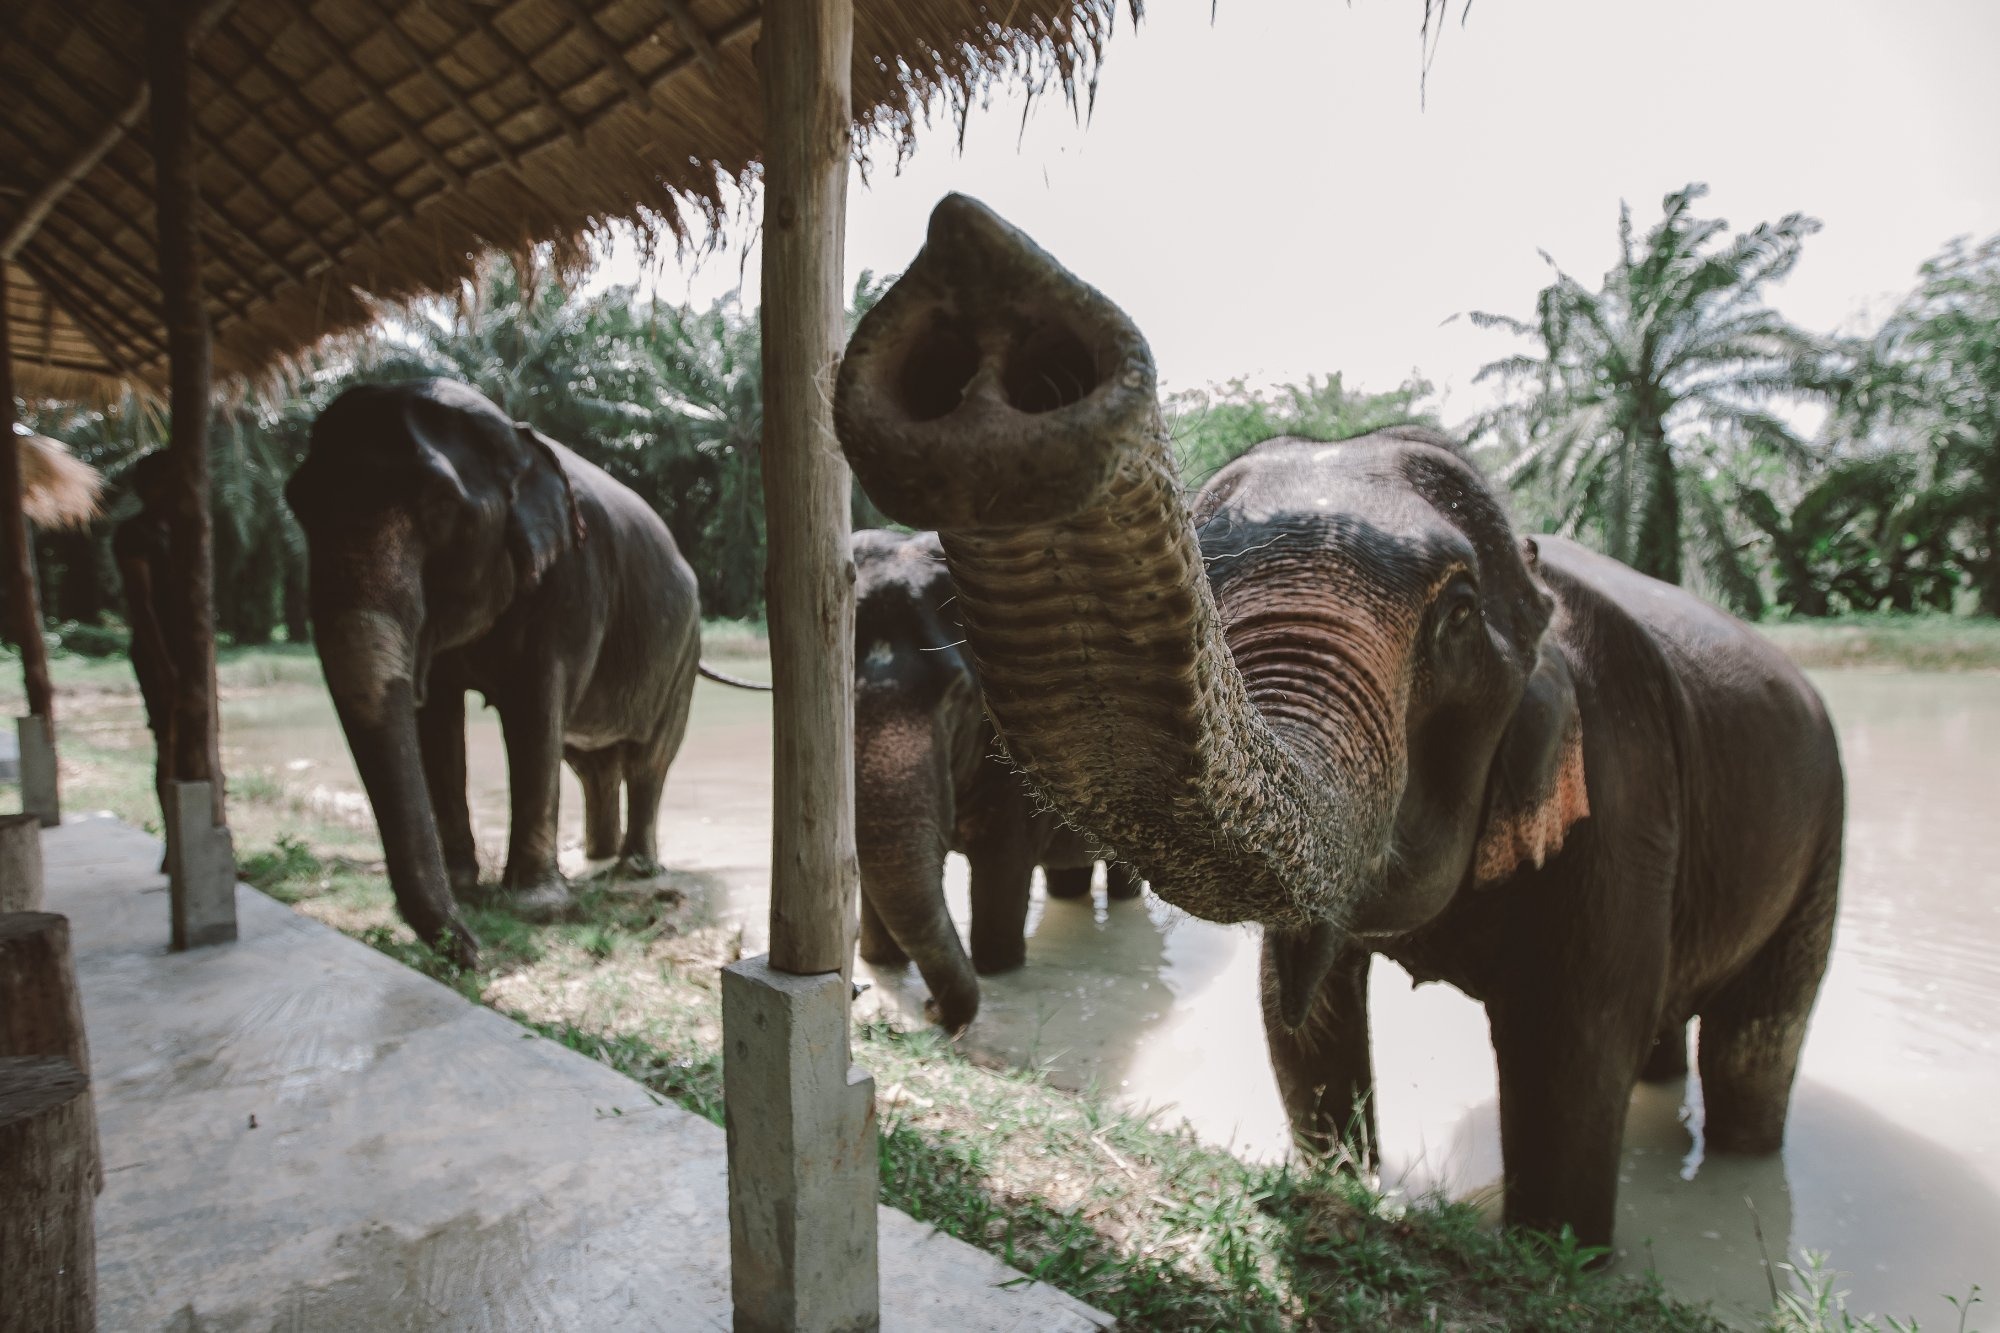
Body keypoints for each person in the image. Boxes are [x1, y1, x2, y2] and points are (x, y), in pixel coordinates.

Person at [112, 452, 179, 865]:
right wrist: (163, 664)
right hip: (160, 653)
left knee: (197, 740)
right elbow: (142, 605)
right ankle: (177, 843)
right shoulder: (135, 533)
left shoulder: (182, 531)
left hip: (184, 653)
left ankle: (200, 841)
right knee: (169, 742)